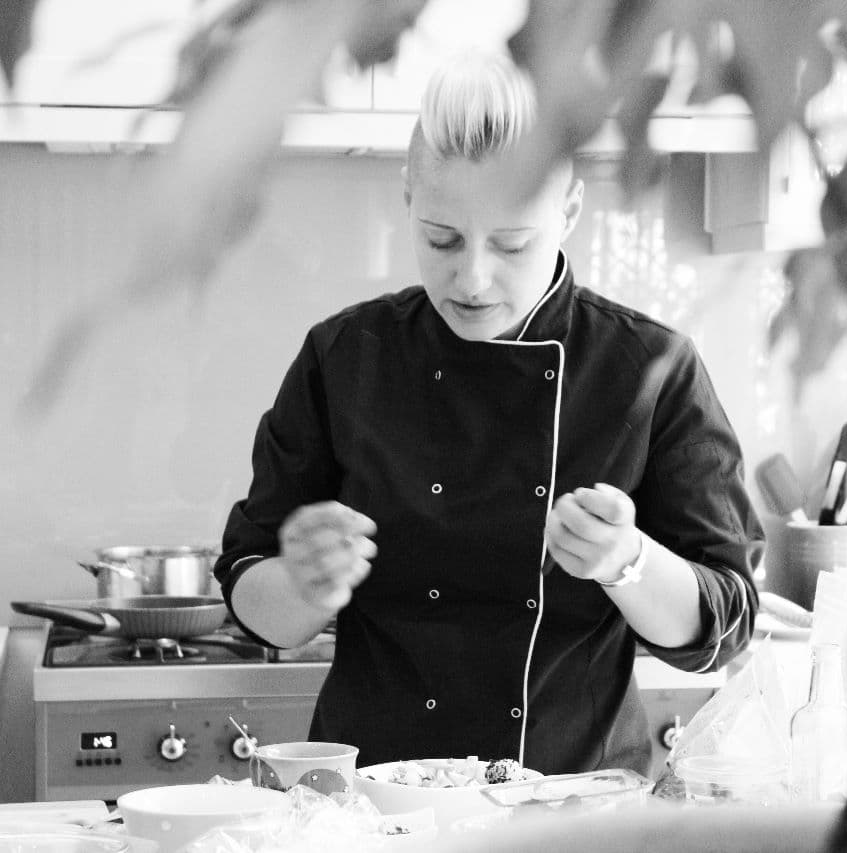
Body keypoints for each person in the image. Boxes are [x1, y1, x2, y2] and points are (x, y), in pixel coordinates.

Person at [214, 53, 763, 778]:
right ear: (407, 198)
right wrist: (302, 582)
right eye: (442, 238)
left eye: (511, 244)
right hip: (373, 804)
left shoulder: (649, 369)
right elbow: (253, 595)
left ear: (567, 213)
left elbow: (726, 625)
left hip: (571, 801)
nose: (471, 278)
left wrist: (627, 561)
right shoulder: (345, 356)